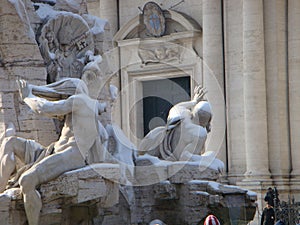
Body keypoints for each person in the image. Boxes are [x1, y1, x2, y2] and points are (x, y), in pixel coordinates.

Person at [0, 78, 107, 225]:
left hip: (70, 156)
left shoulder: (81, 100)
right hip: (54, 151)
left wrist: (27, 96)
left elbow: (46, 108)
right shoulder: (86, 110)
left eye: (62, 96)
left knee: (27, 180)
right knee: (10, 142)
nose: (62, 99)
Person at [139, 86, 212, 161]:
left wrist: (194, 102)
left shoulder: (182, 114)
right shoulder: (199, 133)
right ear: (207, 121)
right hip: (173, 160)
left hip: (154, 144)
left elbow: (178, 106)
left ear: (194, 112)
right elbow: (186, 157)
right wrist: (207, 159)